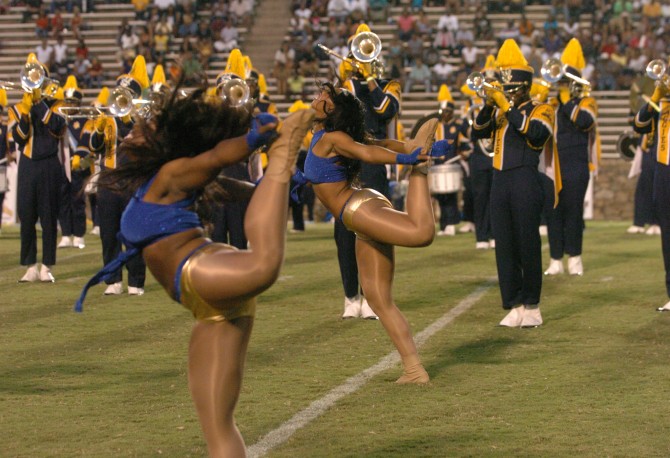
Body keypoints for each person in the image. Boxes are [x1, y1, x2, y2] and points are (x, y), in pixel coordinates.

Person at [76, 77, 315, 457]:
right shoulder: (161, 179)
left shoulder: (172, 173)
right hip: (206, 304)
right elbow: (225, 185)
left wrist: (253, 141)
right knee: (217, 426)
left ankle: (285, 151)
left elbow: (217, 157)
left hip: (201, 270)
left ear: (159, 141)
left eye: (139, 130)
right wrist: (271, 191)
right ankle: (281, 165)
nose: (129, 134)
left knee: (264, 265)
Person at [306, 82, 450, 383]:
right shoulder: (323, 134)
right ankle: (414, 370)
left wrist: (410, 159)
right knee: (377, 299)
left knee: (421, 233)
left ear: (331, 109)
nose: (316, 98)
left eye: (322, 96)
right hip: (357, 215)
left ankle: (420, 171)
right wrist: (410, 148)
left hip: (358, 209)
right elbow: (382, 143)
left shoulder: (333, 138)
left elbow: (368, 153)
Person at [472, 39, 557, 328]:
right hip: (499, 179)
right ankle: (513, 303)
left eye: (512, 89)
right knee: (504, 245)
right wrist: (488, 105)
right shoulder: (500, 110)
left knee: (527, 242)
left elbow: (535, 135)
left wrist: (507, 106)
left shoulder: (541, 109)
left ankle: (532, 305)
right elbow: (477, 132)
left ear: (523, 87)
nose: (507, 93)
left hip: (525, 177)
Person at [337, 23, 402, 319]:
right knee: (344, 232)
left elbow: (386, 110)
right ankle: (351, 296)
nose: (361, 60)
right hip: (346, 162)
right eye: (357, 54)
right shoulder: (346, 87)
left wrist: (371, 80)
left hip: (374, 162)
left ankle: (372, 296)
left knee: (374, 230)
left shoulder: (389, 85)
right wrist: (346, 82)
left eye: (366, 53)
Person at [88, 56, 148, 295]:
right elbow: (94, 147)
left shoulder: (142, 121)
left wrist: (128, 121)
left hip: (132, 181)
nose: (122, 99)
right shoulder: (107, 118)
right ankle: (113, 280)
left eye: (127, 95)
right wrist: (99, 130)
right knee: (109, 233)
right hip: (108, 179)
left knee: (133, 232)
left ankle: (136, 281)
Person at [543, 39, 599, 277]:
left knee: (574, 212)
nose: (561, 86)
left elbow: (584, 122)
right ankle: (555, 259)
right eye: (560, 82)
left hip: (576, 163)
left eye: (565, 82)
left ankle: (575, 258)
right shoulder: (553, 104)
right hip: (553, 164)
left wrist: (566, 101)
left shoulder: (587, 102)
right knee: (553, 213)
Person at [12, 53, 67, 282]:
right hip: (27, 165)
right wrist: (26, 112)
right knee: (26, 216)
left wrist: (39, 103)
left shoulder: (56, 104)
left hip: (49, 164)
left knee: (48, 217)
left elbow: (57, 127)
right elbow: (19, 138)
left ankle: (47, 265)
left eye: (38, 77)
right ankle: (30, 266)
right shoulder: (18, 107)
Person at [633, 64, 670, 311]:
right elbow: (639, 124)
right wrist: (655, 97)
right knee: (668, 236)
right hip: (664, 174)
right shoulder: (662, 106)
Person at [431, 84, 468, 236]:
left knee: (451, 194)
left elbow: (464, 144)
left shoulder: (458, 126)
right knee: (440, 195)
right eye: (442, 111)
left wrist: (464, 152)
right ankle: (444, 225)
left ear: (452, 111)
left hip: (452, 164)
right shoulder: (436, 126)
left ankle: (452, 224)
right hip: (438, 164)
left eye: (446, 111)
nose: (444, 114)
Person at [57, 76, 88, 250]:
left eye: (73, 102)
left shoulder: (83, 120)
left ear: (78, 103)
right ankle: (66, 234)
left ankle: (79, 235)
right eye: (67, 101)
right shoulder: (59, 119)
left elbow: (85, 140)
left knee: (77, 201)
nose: (69, 105)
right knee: (62, 201)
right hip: (62, 165)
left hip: (77, 166)